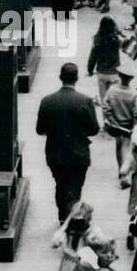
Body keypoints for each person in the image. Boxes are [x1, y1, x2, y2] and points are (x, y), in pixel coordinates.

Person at [35, 61, 99, 223]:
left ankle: (63, 216)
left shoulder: (47, 101)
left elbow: (39, 129)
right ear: (76, 78)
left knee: (61, 184)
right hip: (79, 153)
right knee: (75, 188)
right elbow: (94, 130)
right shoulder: (85, 101)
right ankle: (72, 219)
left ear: (60, 77)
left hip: (55, 153)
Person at [102, 61, 137, 173]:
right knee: (125, 147)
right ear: (131, 78)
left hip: (115, 124)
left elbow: (105, 106)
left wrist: (112, 120)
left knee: (118, 146)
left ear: (119, 75)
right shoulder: (134, 93)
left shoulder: (112, 90)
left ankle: (120, 168)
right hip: (128, 126)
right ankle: (124, 173)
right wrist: (136, 124)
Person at [86, 15, 123, 106]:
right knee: (114, 99)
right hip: (114, 72)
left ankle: (105, 118)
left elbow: (93, 57)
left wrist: (90, 70)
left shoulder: (97, 39)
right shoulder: (117, 39)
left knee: (104, 101)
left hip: (101, 72)